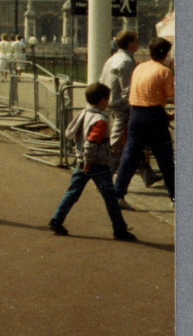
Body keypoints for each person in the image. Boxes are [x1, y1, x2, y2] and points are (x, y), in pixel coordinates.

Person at [48, 82, 137, 241]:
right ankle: (120, 229)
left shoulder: (84, 112)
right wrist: (89, 161)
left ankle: (57, 219)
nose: (108, 102)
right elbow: (92, 143)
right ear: (102, 100)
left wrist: (84, 160)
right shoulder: (100, 119)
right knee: (110, 198)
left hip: (81, 160)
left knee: (72, 192)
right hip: (97, 164)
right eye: (107, 99)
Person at [113, 37, 175, 203]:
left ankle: (118, 194)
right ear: (166, 53)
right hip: (155, 116)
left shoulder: (139, 68)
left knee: (130, 155)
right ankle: (175, 197)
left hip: (136, 115)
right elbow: (174, 97)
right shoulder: (165, 72)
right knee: (165, 159)